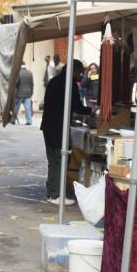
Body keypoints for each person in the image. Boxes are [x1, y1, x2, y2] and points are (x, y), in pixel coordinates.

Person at [40, 59, 91, 205]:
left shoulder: (54, 81)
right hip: (58, 126)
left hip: (48, 125)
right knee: (60, 159)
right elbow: (77, 106)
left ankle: (52, 192)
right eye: (80, 72)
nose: (81, 75)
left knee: (53, 160)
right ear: (75, 71)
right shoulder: (70, 85)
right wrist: (90, 111)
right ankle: (56, 194)